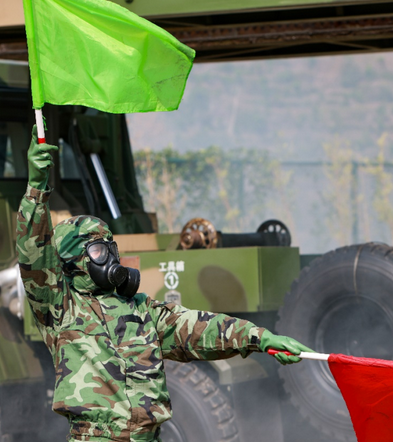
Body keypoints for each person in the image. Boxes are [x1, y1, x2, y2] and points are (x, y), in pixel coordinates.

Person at [16, 127, 312, 442]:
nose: (110, 258)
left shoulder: (141, 310)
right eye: (99, 251)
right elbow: (33, 253)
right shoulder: (60, 308)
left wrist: (260, 337)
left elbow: (200, 329)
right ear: (72, 262)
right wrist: (37, 186)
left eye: (111, 248)